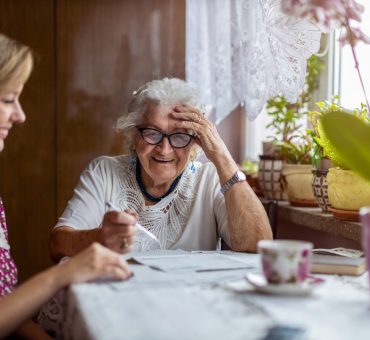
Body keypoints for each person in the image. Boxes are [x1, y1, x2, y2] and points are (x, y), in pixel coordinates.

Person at [49, 77, 272, 261]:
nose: (164, 149)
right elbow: (58, 245)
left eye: (180, 136)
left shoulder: (210, 179)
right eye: (153, 133)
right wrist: (100, 236)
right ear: (134, 136)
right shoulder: (104, 172)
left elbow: (259, 246)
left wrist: (221, 156)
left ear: (196, 141)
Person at [0, 33, 134, 339]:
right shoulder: (104, 170)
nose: (20, 116)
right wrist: (63, 275)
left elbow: (7, 307)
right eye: (8, 99)